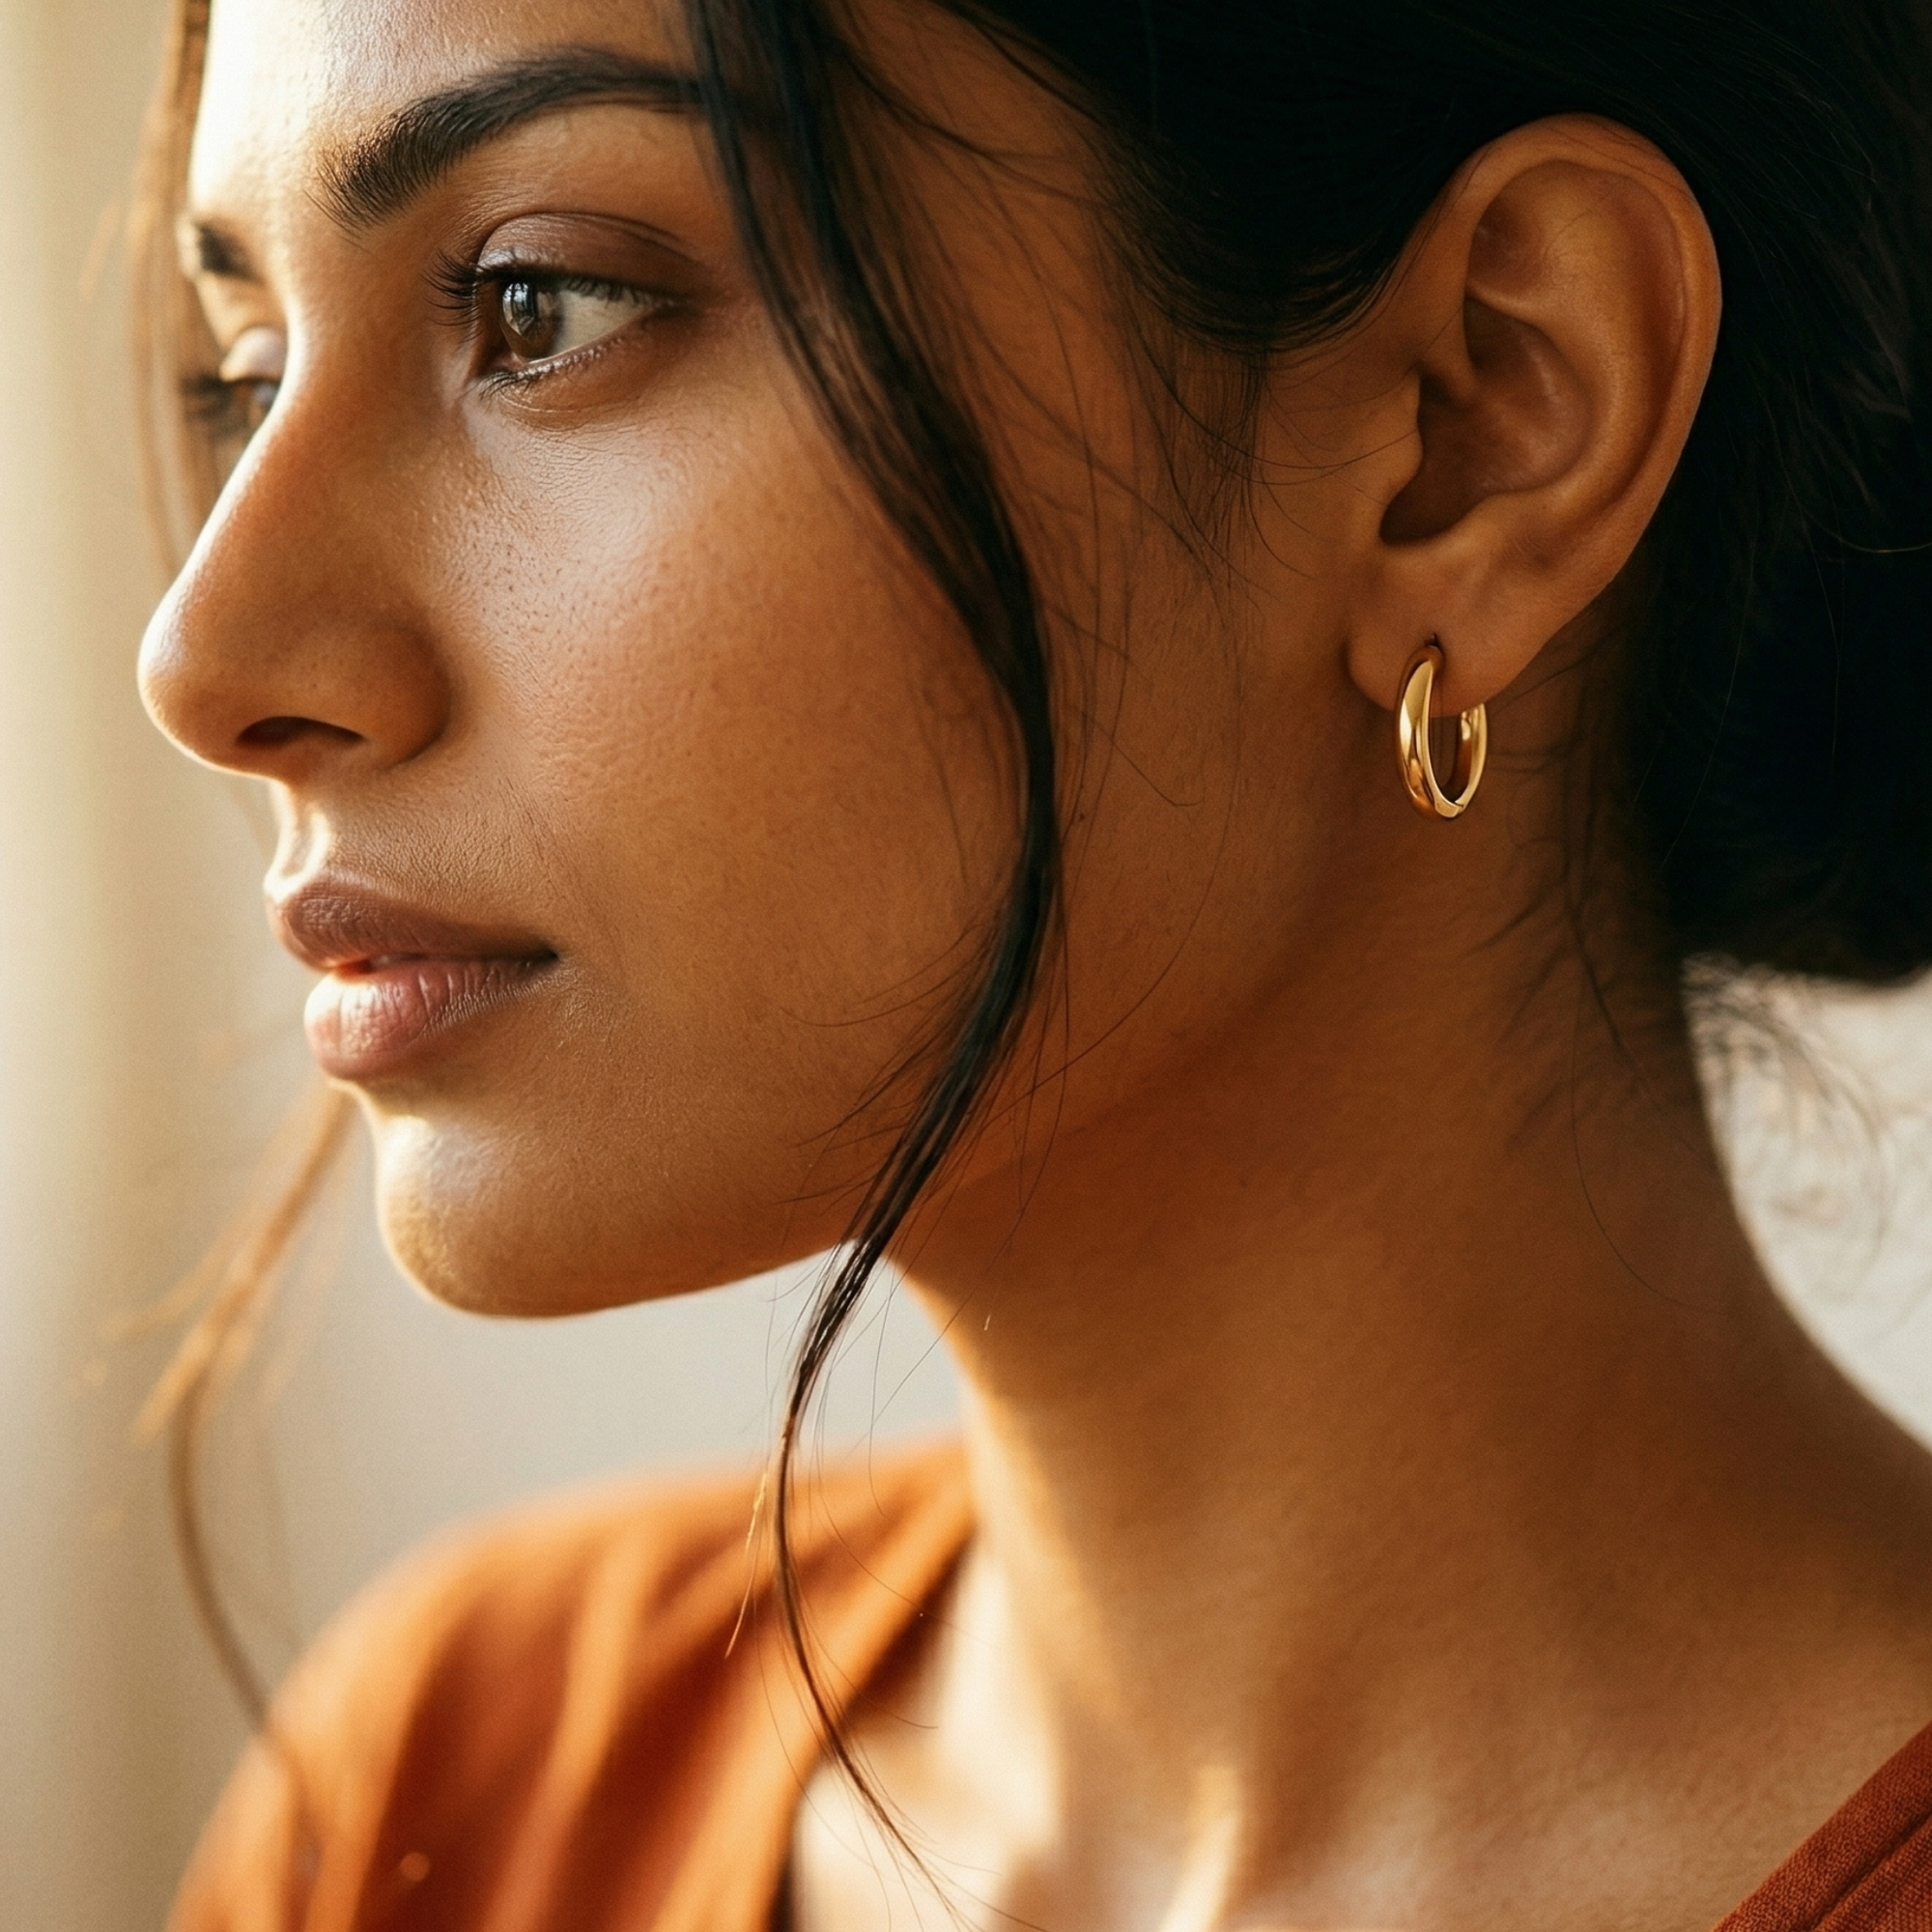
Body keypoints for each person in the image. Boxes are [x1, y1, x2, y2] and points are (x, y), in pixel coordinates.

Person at [134, 0, 1932, 1926]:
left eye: (537, 305)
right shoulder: (469, 1796)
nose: (204, 657)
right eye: (244, 367)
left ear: (1477, 422)